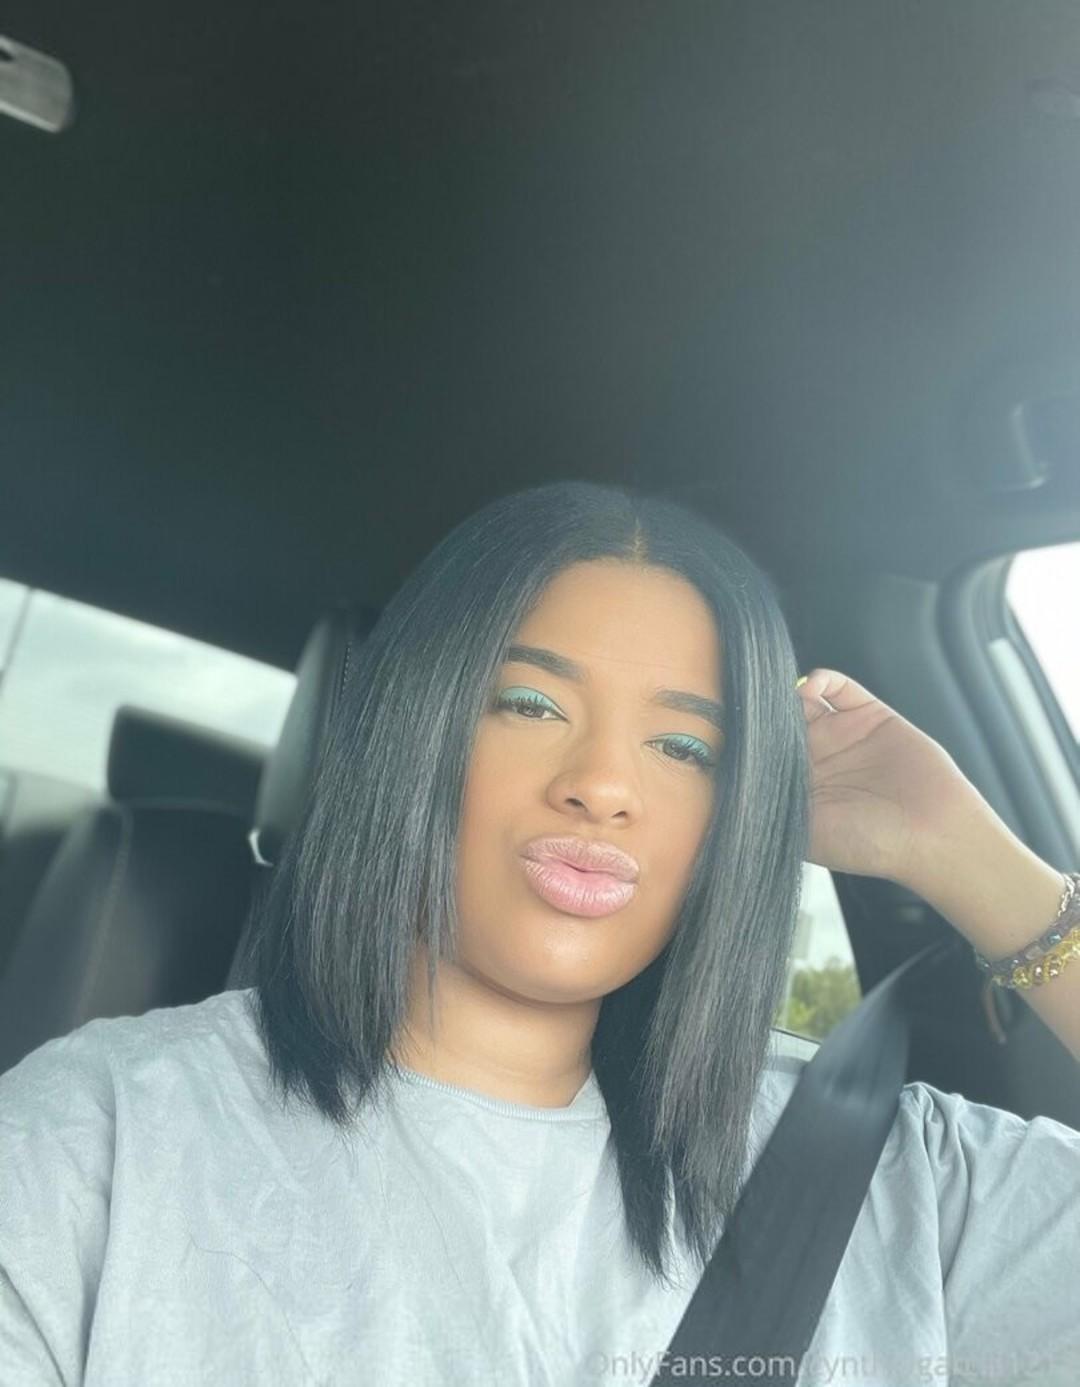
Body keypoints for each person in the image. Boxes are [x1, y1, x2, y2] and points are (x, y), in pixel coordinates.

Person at [1, 479, 1078, 1386]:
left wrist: (969, 856)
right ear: (417, 729)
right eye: (529, 704)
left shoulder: (895, 1179)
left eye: (686, 749)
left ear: (734, 818)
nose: (603, 784)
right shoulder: (96, 1142)